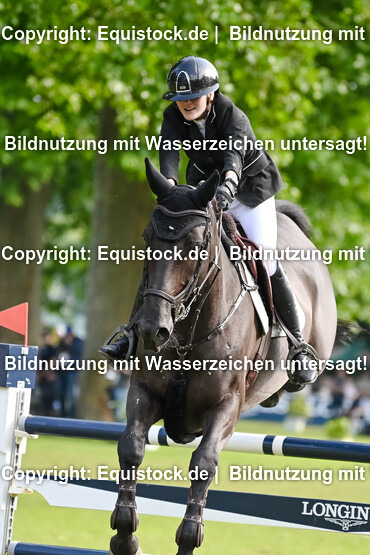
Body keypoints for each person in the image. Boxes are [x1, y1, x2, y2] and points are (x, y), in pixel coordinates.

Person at [101, 56, 318, 386]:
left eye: (192, 97)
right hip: (205, 188)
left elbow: (233, 162)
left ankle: (299, 344)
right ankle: (131, 333)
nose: (185, 103)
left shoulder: (233, 116)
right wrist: (171, 191)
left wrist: (226, 190)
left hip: (249, 192)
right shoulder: (173, 116)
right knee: (169, 248)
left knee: (264, 255)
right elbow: (169, 156)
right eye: (180, 98)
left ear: (211, 95)